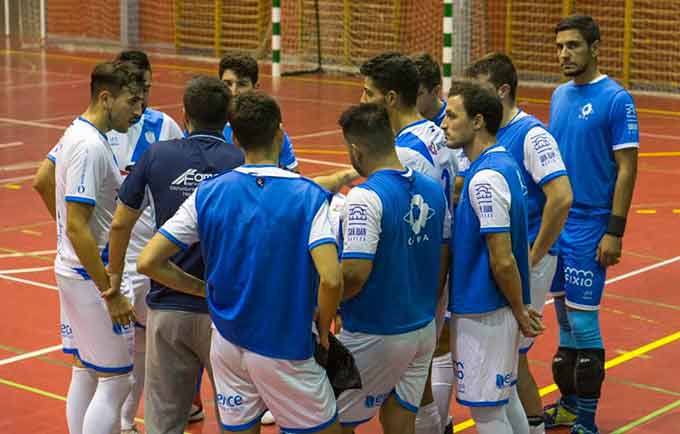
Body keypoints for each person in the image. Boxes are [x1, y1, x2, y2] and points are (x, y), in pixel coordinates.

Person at [136, 91, 343, 434]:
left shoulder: (208, 193)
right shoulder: (310, 197)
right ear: (280, 133)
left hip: (228, 342)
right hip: (284, 343)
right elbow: (332, 279)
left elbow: (148, 261)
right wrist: (323, 329)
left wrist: (203, 290)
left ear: (235, 136)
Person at [108, 75, 244, 434]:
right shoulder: (240, 161)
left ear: (184, 115)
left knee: (164, 421)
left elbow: (120, 224)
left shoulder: (156, 155)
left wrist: (113, 280)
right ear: (228, 118)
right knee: (238, 418)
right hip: (225, 312)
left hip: (167, 308)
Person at [465, 52, 573, 434]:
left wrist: (534, 255)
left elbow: (561, 196)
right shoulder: (489, 135)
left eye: (478, 91)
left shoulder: (532, 134)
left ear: (502, 91)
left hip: (525, 258)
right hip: (508, 256)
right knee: (510, 360)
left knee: (509, 357)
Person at [543, 15, 639, 434]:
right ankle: (567, 405)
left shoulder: (617, 100)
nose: (565, 54)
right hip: (557, 224)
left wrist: (614, 230)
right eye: (560, 46)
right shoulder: (559, 95)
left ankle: (587, 420)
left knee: (583, 323)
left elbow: (627, 168)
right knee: (562, 321)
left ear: (595, 47)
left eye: (574, 46)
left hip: (590, 226)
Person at [335, 103, 450, 434]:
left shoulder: (365, 197)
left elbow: (355, 274)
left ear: (356, 149)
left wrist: (321, 304)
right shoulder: (432, 191)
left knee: (331, 421)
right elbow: (442, 255)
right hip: (421, 328)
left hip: (375, 331)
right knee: (400, 420)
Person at [43, 61, 144, 434]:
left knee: (86, 370)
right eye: (131, 101)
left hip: (73, 272)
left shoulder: (79, 134)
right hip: (90, 278)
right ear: (106, 97)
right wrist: (110, 291)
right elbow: (77, 226)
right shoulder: (88, 145)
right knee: (117, 381)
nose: (138, 111)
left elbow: (46, 183)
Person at [442, 80, 544, 434]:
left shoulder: (484, 178)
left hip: (483, 309)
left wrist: (519, 309)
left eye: (452, 115)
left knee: (486, 413)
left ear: (478, 121)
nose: (443, 122)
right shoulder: (504, 163)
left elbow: (502, 259)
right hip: (495, 309)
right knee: (504, 399)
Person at [218, 52, 298, 171]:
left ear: (255, 87)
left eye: (242, 84)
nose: (233, 91)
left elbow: (293, 175)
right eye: (227, 84)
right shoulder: (205, 124)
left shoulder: (271, 131)